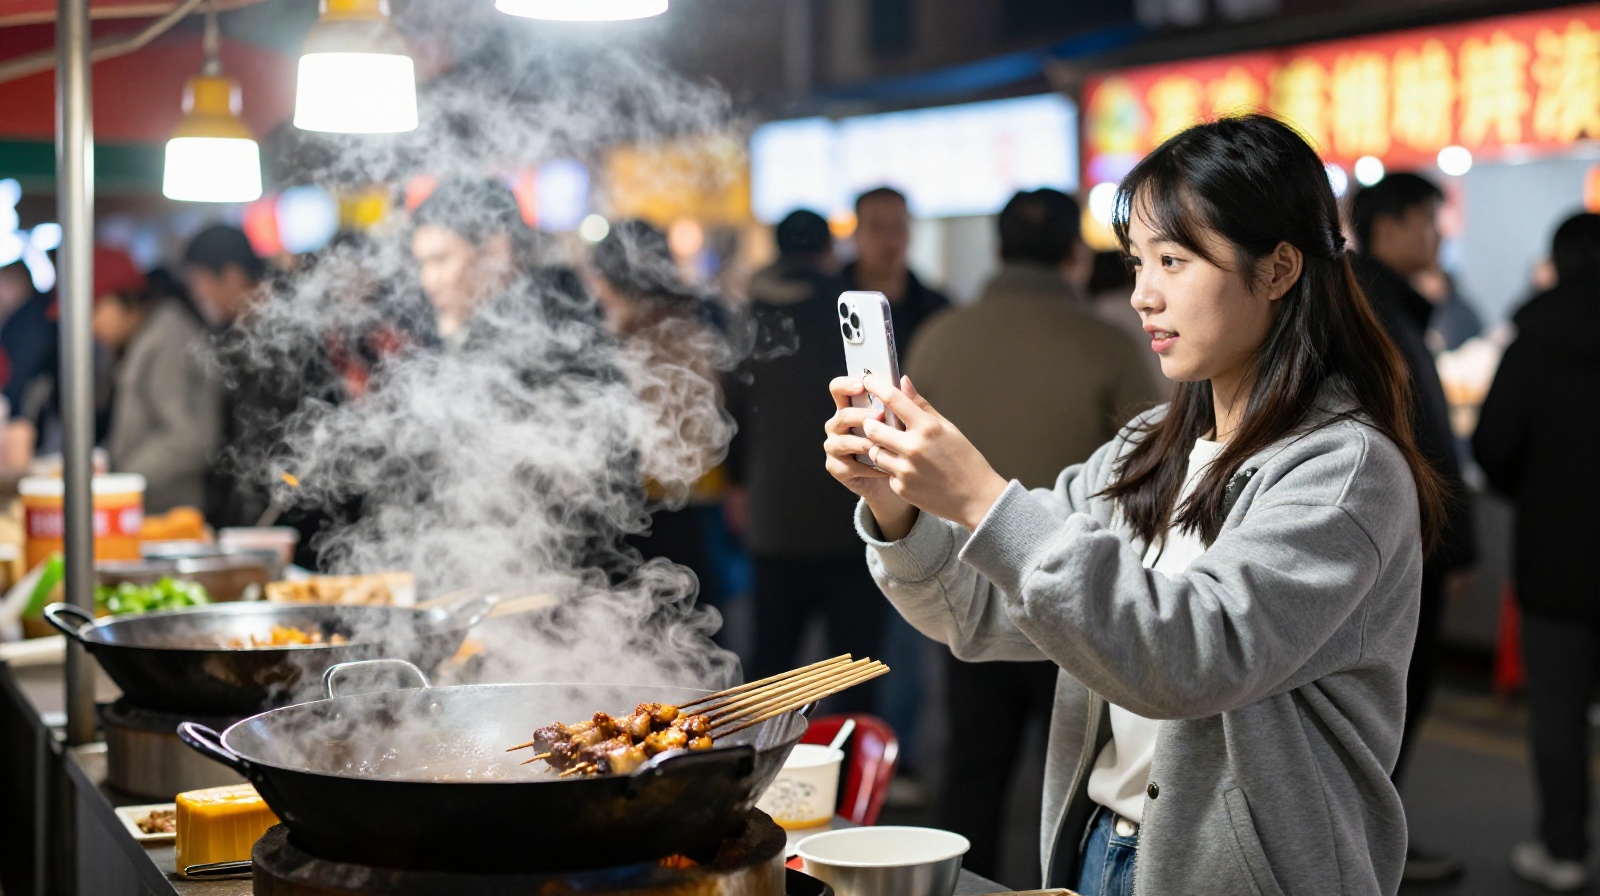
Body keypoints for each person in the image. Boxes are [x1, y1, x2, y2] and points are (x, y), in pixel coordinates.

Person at [823, 114, 1443, 894]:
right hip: (1100, 854)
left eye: (1175, 260)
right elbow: (980, 610)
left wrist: (982, 498)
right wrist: (895, 507)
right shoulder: (1149, 446)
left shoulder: (1345, 469)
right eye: (1136, 261)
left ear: (1280, 268)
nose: (1143, 294)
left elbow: (1192, 655)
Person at [904, 189, 1162, 882]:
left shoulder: (940, 335)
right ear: (1076, 256)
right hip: (1084, 582)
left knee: (974, 769)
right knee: (1079, 775)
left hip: (963, 573)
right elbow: (1150, 469)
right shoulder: (1109, 344)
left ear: (997, 249)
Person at [1349, 172, 1476, 884]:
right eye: (1430, 220)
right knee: (1390, 700)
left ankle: (1377, 839)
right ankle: (1370, 847)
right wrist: (1451, 542)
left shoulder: (1390, 303)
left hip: (1410, 535)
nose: (1440, 234)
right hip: (1403, 540)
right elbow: (1414, 434)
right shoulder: (1372, 309)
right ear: (1390, 227)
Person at [1474, 212, 1600, 893]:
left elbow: (1495, 445)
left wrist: (1539, 492)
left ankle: (1564, 849)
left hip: (1558, 556)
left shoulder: (1537, 336)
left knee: (1558, 708)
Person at [724, 210, 882, 713]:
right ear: (827, 250)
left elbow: (731, 411)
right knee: (855, 665)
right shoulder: (845, 312)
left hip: (773, 514)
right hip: (848, 510)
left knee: (772, 662)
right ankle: (858, 771)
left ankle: (757, 770)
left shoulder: (749, 314)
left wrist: (737, 484)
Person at [590, 219, 729, 611]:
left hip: (645, 503)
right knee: (698, 619)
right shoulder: (698, 317)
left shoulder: (619, 332)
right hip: (700, 491)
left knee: (655, 623)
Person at [92, 246, 221, 513]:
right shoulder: (139, 339)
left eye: (94, 309)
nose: (91, 325)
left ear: (124, 299)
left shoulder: (166, 341)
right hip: (146, 507)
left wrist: (122, 480)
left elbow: (187, 438)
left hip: (170, 513)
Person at [844, 186, 950, 347]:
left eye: (899, 226)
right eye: (876, 227)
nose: (889, 240)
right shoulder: (825, 308)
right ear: (856, 234)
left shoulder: (937, 310)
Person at [0, 260, 59, 470]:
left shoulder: (28, 319)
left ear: (17, 282)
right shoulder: (32, 314)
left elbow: (23, 373)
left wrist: (15, 416)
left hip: (34, 421)